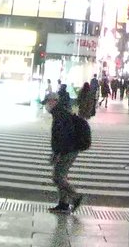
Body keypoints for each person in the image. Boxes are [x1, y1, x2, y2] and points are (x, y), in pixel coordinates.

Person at [48, 84, 84, 214]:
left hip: (68, 150)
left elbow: (63, 136)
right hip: (69, 149)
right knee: (61, 176)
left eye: (47, 102)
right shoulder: (60, 112)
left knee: (57, 177)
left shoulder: (60, 115)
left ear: (54, 101)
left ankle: (76, 197)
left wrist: (58, 153)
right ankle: (63, 204)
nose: (46, 105)